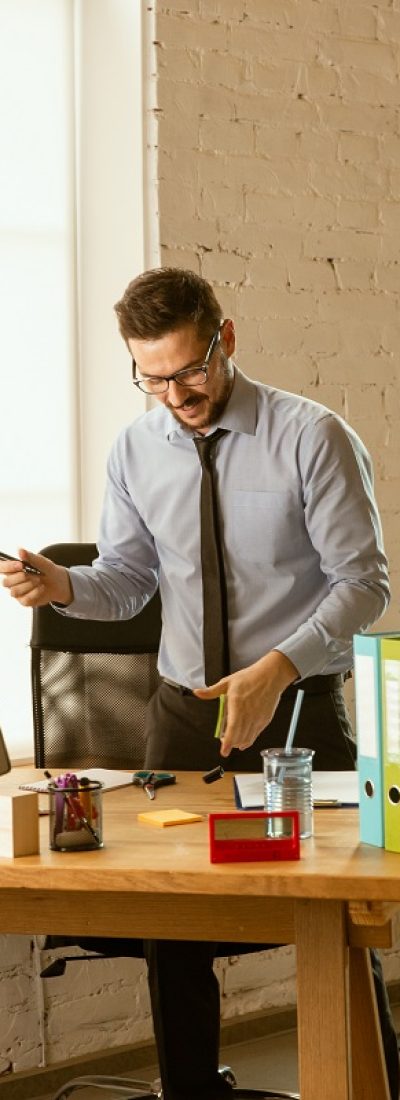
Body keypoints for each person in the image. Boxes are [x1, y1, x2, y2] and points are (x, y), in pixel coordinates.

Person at [1, 267, 398, 1100]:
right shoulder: (134, 449)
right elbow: (130, 581)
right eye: (153, 378)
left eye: (188, 370)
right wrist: (62, 587)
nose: (175, 393)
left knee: (341, 915)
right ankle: (191, 1090)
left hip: (297, 719)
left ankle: (368, 1082)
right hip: (182, 717)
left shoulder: (310, 437)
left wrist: (276, 667)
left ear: (227, 338)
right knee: (169, 921)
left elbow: (364, 584)